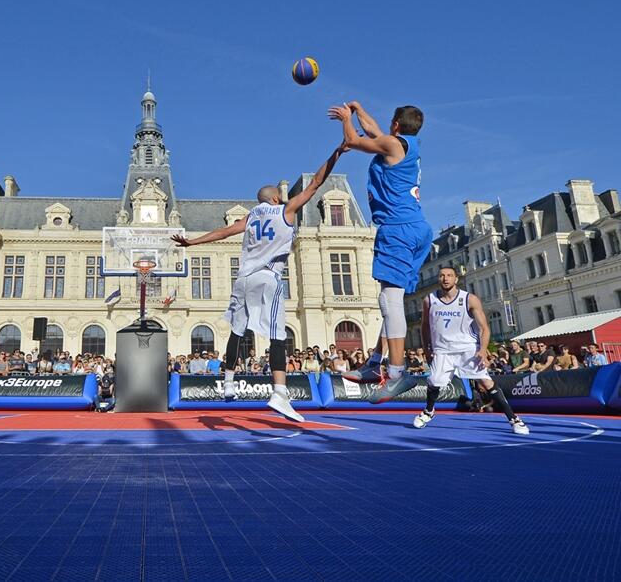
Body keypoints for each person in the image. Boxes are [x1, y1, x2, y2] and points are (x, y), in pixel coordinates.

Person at [172, 141, 347, 422]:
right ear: (276, 198)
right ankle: (279, 393)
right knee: (277, 336)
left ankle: (229, 382)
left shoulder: (252, 215)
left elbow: (223, 232)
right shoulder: (286, 211)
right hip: (268, 277)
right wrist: (336, 153)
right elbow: (316, 182)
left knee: (237, 331)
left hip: (243, 278)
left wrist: (191, 242)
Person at [330, 102, 432, 403]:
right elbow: (372, 130)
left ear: (396, 124)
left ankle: (397, 373)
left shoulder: (392, 144)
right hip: (416, 227)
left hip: (398, 228)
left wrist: (346, 120)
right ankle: (376, 362)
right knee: (391, 300)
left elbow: (353, 140)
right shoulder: (405, 145)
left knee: (390, 300)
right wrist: (359, 109)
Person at [413, 267, 528, 435]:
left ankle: (514, 419)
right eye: (442, 275)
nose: (445, 278)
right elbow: (424, 326)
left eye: (449, 275)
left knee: (486, 382)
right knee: (434, 381)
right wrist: (426, 348)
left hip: (467, 348)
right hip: (442, 349)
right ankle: (428, 411)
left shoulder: (469, 299)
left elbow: (484, 328)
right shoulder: (429, 300)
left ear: (456, 279)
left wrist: (483, 350)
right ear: (438, 279)